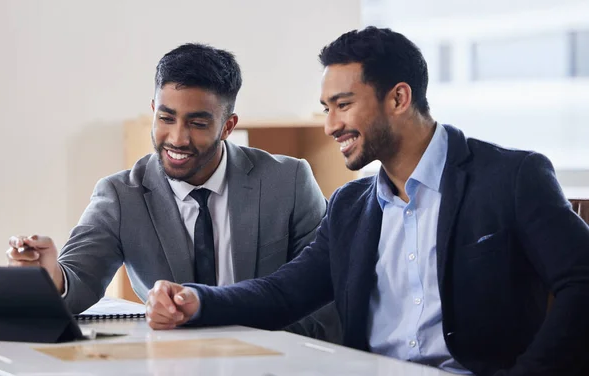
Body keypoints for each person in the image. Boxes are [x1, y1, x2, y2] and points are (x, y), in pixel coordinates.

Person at [145, 27, 589, 375]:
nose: (330, 126)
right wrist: (195, 301)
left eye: (343, 105)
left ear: (398, 97)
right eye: (326, 108)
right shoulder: (351, 206)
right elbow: (285, 293)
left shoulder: (511, 178)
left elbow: (581, 283)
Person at [6, 43, 340, 343]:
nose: (177, 138)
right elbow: (78, 280)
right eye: (166, 118)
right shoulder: (121, 195)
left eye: (197, 123)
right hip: (172, 363)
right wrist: (50, 276)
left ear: (228, 125)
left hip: (274, 358)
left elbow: (325, 296)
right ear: (154, 110)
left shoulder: (289, 181)